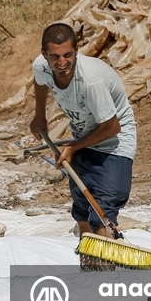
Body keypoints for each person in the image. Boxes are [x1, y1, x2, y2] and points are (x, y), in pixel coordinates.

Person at [29, 23, 137, 239]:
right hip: (83, 137)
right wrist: (39, 115)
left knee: (104, 211)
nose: (62, 63)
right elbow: (41, 81)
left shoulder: (90, 80)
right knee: (82, 208)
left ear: (77, 51)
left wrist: (72, 147)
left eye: (68, 55)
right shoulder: (41, 66)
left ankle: (105, 269)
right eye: (55, 57)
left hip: (114, 144)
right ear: (44, 55)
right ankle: (87, 266)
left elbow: (112, 127)